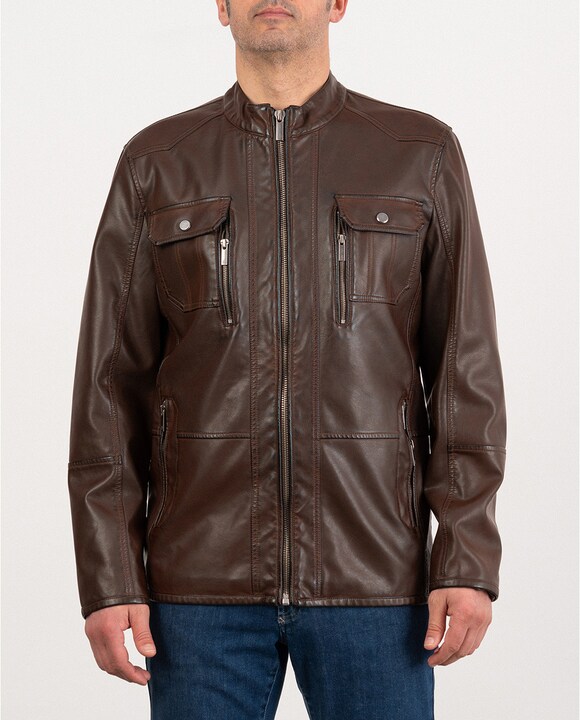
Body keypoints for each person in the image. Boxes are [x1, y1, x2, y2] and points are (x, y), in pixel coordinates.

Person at [67, 1, 507, 718]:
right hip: (197, 588)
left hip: (376, 580)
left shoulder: (419, 153)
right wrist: (110, 573)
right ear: (221, 6)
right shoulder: (157, 162)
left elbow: (465, 371)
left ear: (338, 3)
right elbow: (108, 387)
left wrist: (466, 555)